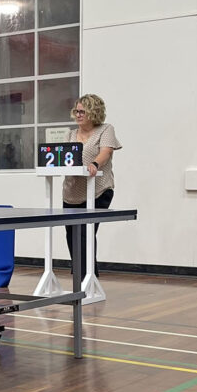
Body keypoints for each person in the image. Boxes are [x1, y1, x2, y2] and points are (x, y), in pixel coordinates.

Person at [62, 93, 121, 277]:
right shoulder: (70, 134)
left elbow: (106, 152)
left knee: (85, 233)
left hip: (98, 191)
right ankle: (85, 277)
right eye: (77, 111)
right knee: (72, 236)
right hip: (72, 194)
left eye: (83, 112)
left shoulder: (105, 129)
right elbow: (64, 158)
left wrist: (95, 164)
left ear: (93, 112)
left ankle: (86, 278)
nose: (78, 115)